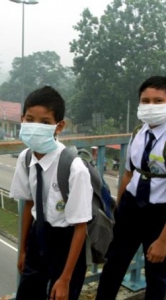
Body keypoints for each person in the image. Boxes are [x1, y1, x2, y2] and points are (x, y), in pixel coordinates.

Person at [10, 86, 93, 300]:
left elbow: (80, 227)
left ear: (59, 126)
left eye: (45, 122)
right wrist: (23, 250)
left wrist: (65, 279)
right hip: (38, 236)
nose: (35, 127)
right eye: (30, 120)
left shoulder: (74, 168)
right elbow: (29, 204)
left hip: (65, 242)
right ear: (22, 119)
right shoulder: (26, 158)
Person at [96, 76, 166, 300]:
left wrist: (164, 240)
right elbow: (128, 173)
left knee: (157, 272)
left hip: (160, 213)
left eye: (158, 101)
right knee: (114, 262)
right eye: (145, 101)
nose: (151, 106)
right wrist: (119, 209)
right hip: (131, 206)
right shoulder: (139, 132)